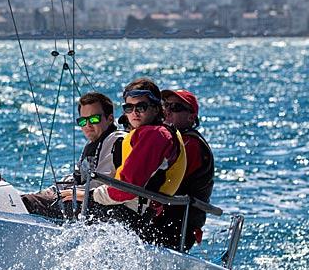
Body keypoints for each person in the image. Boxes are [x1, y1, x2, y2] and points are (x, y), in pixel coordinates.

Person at [78, 78, 187, 242]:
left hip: (128, 216)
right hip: (135, 215)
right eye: (129, 107)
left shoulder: (155, 135)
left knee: (42, 204)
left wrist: (90, 195)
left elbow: (127, 188)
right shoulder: (157, 133)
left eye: (141, 107)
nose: (134, 112)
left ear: (156, 109)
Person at [21, 92, 124, 220]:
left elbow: (101, 183)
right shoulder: (92, 144)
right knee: (35, 199)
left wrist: (70, 193)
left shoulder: (116, 141)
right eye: (82, 121)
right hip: (87, 200)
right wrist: (51, 192)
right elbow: (76, 177)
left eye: (94, 119)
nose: (87, 125)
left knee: (30, 203)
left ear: (109, 119)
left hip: (109, 208)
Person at [154, 89, 215, 250]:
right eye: (165, 105)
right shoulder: (171, 140)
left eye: (175, 107)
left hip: (178, 223)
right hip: (163, 218)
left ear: (191, 117)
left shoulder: (191, 143)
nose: (167, 110)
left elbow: (167, 176)